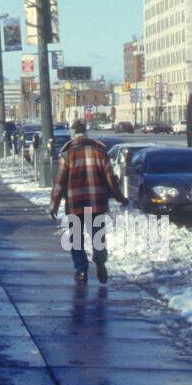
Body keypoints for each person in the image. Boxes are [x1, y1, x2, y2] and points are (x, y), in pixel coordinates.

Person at [49, 120, 127, 284]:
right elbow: (110, 179)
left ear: (72, 134)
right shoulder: (99, 152)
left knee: (76, 238)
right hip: (97, 202)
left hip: (74, 203)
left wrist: (54, 204)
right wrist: (120, 198)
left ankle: (81, 269)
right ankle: (99, 261)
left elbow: (59, 182)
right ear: (86, 133)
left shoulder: (67, 154)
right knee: (98, 235)